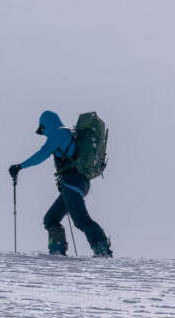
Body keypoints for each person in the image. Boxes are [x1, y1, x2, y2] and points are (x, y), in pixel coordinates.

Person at [9, 110, 113, 257]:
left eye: (43, 128)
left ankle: (102, 248)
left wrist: (20, 166)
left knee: (81, 219)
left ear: (47, 124)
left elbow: (43, 154)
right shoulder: (66, 134)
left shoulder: (59, 133)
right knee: (51, 219)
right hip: (75, 182)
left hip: (73, 182)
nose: (43, 132)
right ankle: (57, 250)